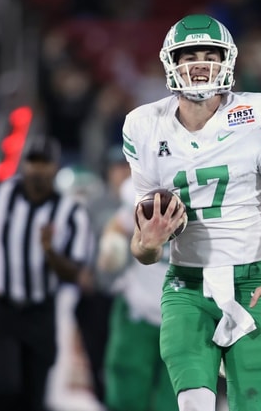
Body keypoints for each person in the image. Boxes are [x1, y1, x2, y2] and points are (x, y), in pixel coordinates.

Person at [121, 14, 261, 411]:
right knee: (194, 404)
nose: (199, 64)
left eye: (209, 54)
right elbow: (143, 251)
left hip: (252, 286)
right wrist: (148, 243)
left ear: (227, 60)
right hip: (186, 288)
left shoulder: (252, 116)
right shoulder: (146, 126)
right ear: (170, 63)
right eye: (188, 55)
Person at [0, 133, 92, 411]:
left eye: (45, 163)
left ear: (56, 167)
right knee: (3, 386)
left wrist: (51, 252)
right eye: (33, 162)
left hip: (40, 311)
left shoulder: (71, 213)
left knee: (33, 396)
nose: (38, 170)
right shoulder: (0, 193)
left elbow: (73, 273)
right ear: (23, 164)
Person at [96, 176, 177, 411]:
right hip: (138, 307)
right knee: (127, 393)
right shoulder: (146, 186)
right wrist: (110, 245)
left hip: (184, 312)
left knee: (179, 396)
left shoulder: (207, 188)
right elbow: (119, 224)